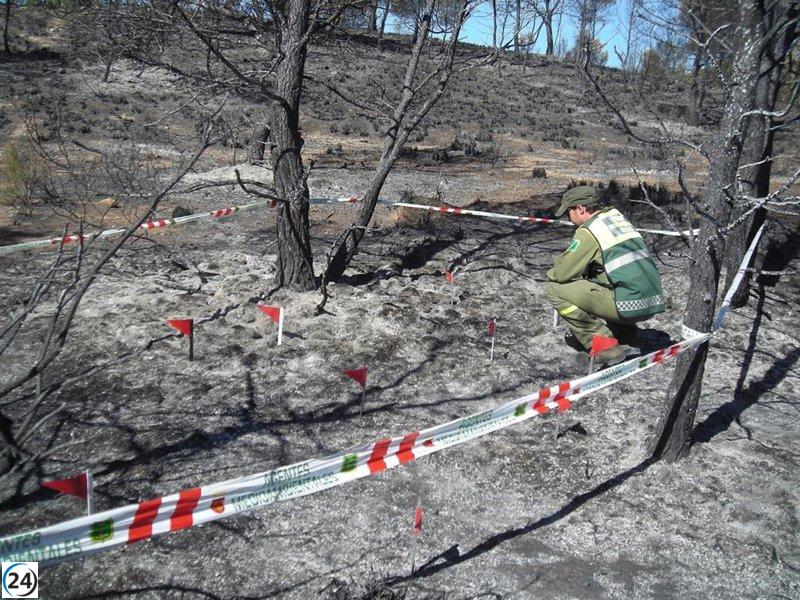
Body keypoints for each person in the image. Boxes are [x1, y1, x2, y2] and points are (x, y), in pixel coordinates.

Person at [546, 186, 665, 367]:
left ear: (580, 209)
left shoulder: (589, 231)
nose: (568, 218)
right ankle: (628, 338)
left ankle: (606, 348)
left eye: (568, 212)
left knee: (555, 289)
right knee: (599, 277)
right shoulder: (616, 219)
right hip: (652, 301)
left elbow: (562, 273)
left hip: (628, 305)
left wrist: (552, 272)